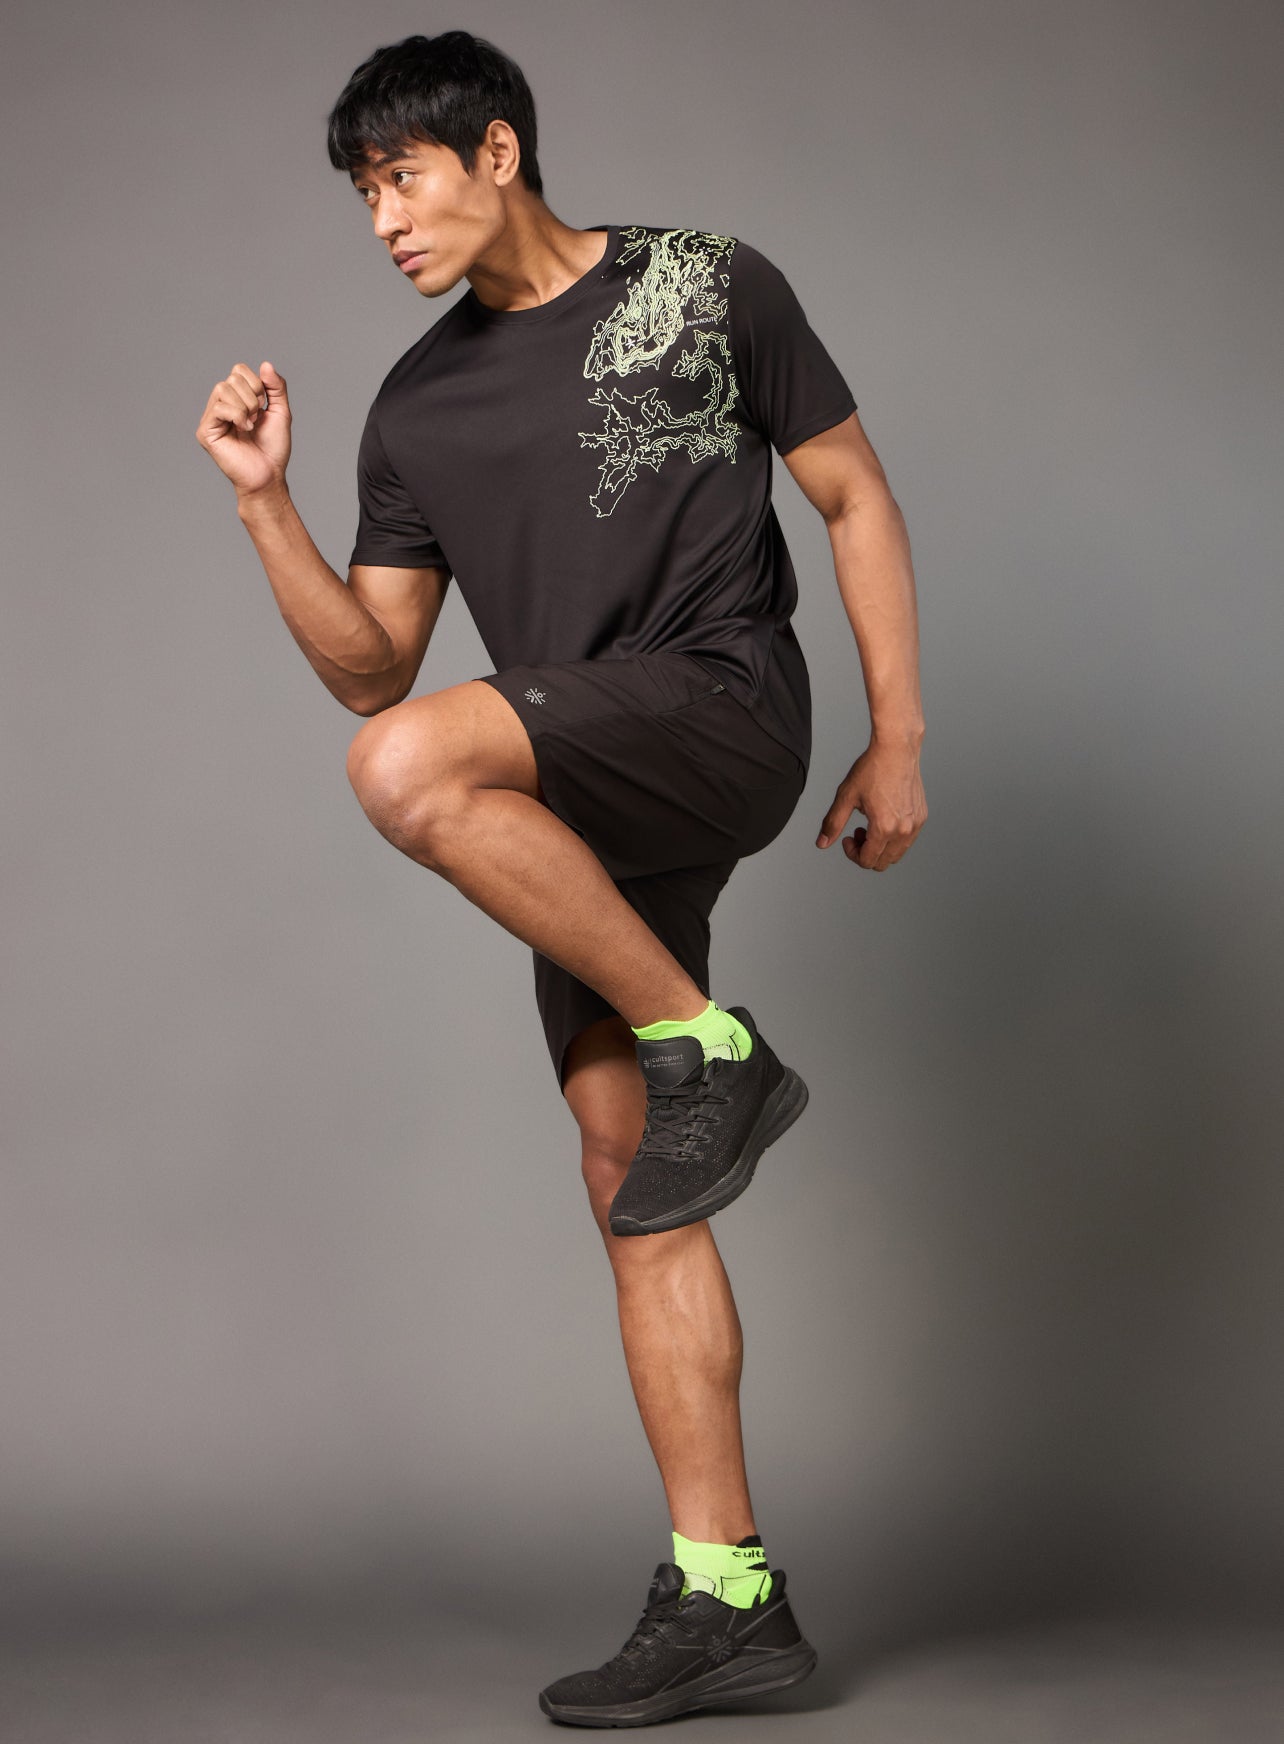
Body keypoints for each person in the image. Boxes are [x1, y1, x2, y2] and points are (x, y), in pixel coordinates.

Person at [195, 28, 927, 1729]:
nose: (383, 220)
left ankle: (716, 1049)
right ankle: (729, 1594)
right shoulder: (416, 409)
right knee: (632, 1172)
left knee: (407, 776)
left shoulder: (707, 282)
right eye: (362, 195)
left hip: (724, 708)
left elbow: (854, 498)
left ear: (499, 152)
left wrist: (897, 739)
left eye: (403, 178)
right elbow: (374, 666)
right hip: (583, 802)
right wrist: (265, 507)